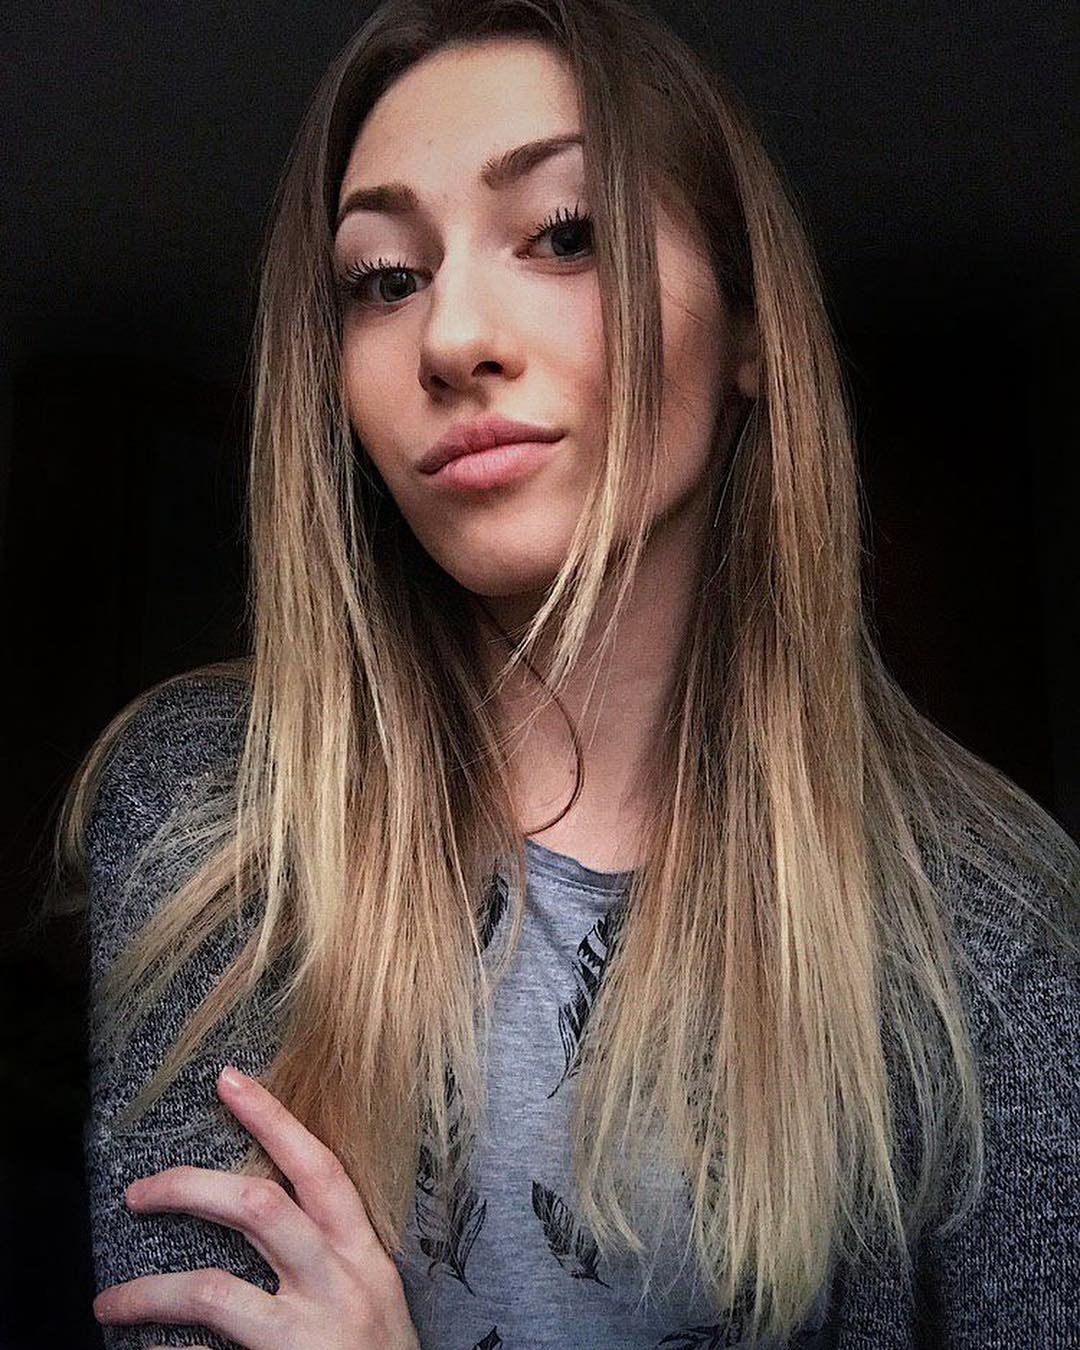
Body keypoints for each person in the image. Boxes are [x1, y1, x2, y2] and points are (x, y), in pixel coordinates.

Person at [42, 0, 1078, 1347]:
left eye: (566, 234)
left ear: (749, 326)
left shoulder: (992, 923)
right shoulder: (217, 811)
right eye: (385, 278)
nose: (450, 337)